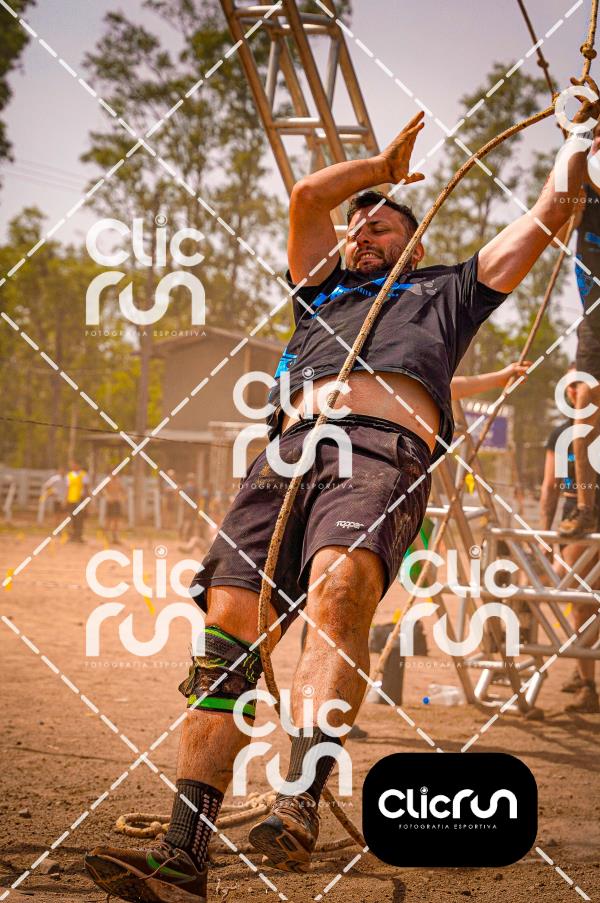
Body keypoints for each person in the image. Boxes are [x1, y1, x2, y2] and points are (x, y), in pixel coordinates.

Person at [86, 99, 598, 902]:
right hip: (285, 455)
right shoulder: (319, 291)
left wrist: (577, 143)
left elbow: (548, 212)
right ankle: (184, 851)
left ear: (414, 244)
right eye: (356, 223)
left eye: (382, 223)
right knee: (227, 631)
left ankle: (297, 798)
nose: (362, 230)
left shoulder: (451, 290)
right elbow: (305, 198)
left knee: (341, 586)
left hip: (380, 453)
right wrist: (380, 171)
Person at [541, 366, 600, 713]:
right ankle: (585, 675)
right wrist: (544, 535)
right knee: (581, 600)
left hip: (587, 519)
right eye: (572, 384)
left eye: (582, 383)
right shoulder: (560, 433)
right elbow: (549, 486)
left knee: (584, 601)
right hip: (572, 519)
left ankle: (587, 680)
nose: (576, 390)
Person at [559, 161, 600, 537]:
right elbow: (555, 230)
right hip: (595, 323)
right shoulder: (582, 196)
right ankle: (586, 507)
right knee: (586, 399)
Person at [66, 461, 89, 543]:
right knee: (72, 518)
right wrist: (66, 499)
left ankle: (79, 536)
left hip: (80, 499)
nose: (74, 466)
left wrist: (86, 500)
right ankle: (72, 535)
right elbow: (68, 488)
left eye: (75, 465)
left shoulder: (83, 474)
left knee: (80, 518)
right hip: (71, 499)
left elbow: (86, 488)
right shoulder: (69, 475)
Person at [104, 474, 126, 544]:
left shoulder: (119, 481)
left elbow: (123, 490)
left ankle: (115, 537)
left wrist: (122, 498)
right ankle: (107, 536)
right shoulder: (108, 481)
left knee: (117, 519)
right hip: (110, 502)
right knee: (109, 519)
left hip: (117, 501)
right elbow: (104, 490)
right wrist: (107, 496)